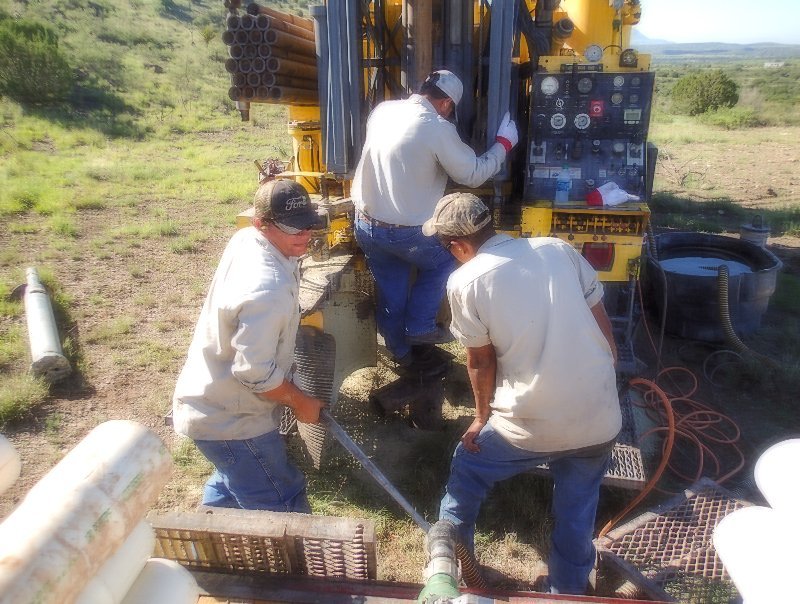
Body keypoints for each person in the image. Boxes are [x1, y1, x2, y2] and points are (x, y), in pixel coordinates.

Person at [423, 193, 621, 595]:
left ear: (458, 245)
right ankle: (568, 588)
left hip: (529, 427)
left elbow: (480, 361)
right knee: (578, 503)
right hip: (600, 418)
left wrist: (480, 419)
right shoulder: (558, 249)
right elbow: (606, 335)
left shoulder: (465, 281)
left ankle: (455, 567)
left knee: (468, 467)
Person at [172, 179, 326, 512]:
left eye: (307, 225)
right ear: (260, 223)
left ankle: (207, 546)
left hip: (207, 400)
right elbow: (253, 372)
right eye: (293, 229)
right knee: (282, 499)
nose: (305, 235)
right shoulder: (265, 289)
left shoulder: (247, 240)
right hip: (232, 420)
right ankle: (299, 563)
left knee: (230, 485)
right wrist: (299, 402)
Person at [351, 69, 519, 367]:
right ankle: (419, 326)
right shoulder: (437, 127)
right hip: (407, 235)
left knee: (393, 290)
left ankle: (400, 353)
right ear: (447, 105)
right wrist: (503, 144)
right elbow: (472, 174)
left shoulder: (383, 111)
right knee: (446, 260)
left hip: (366, 225)